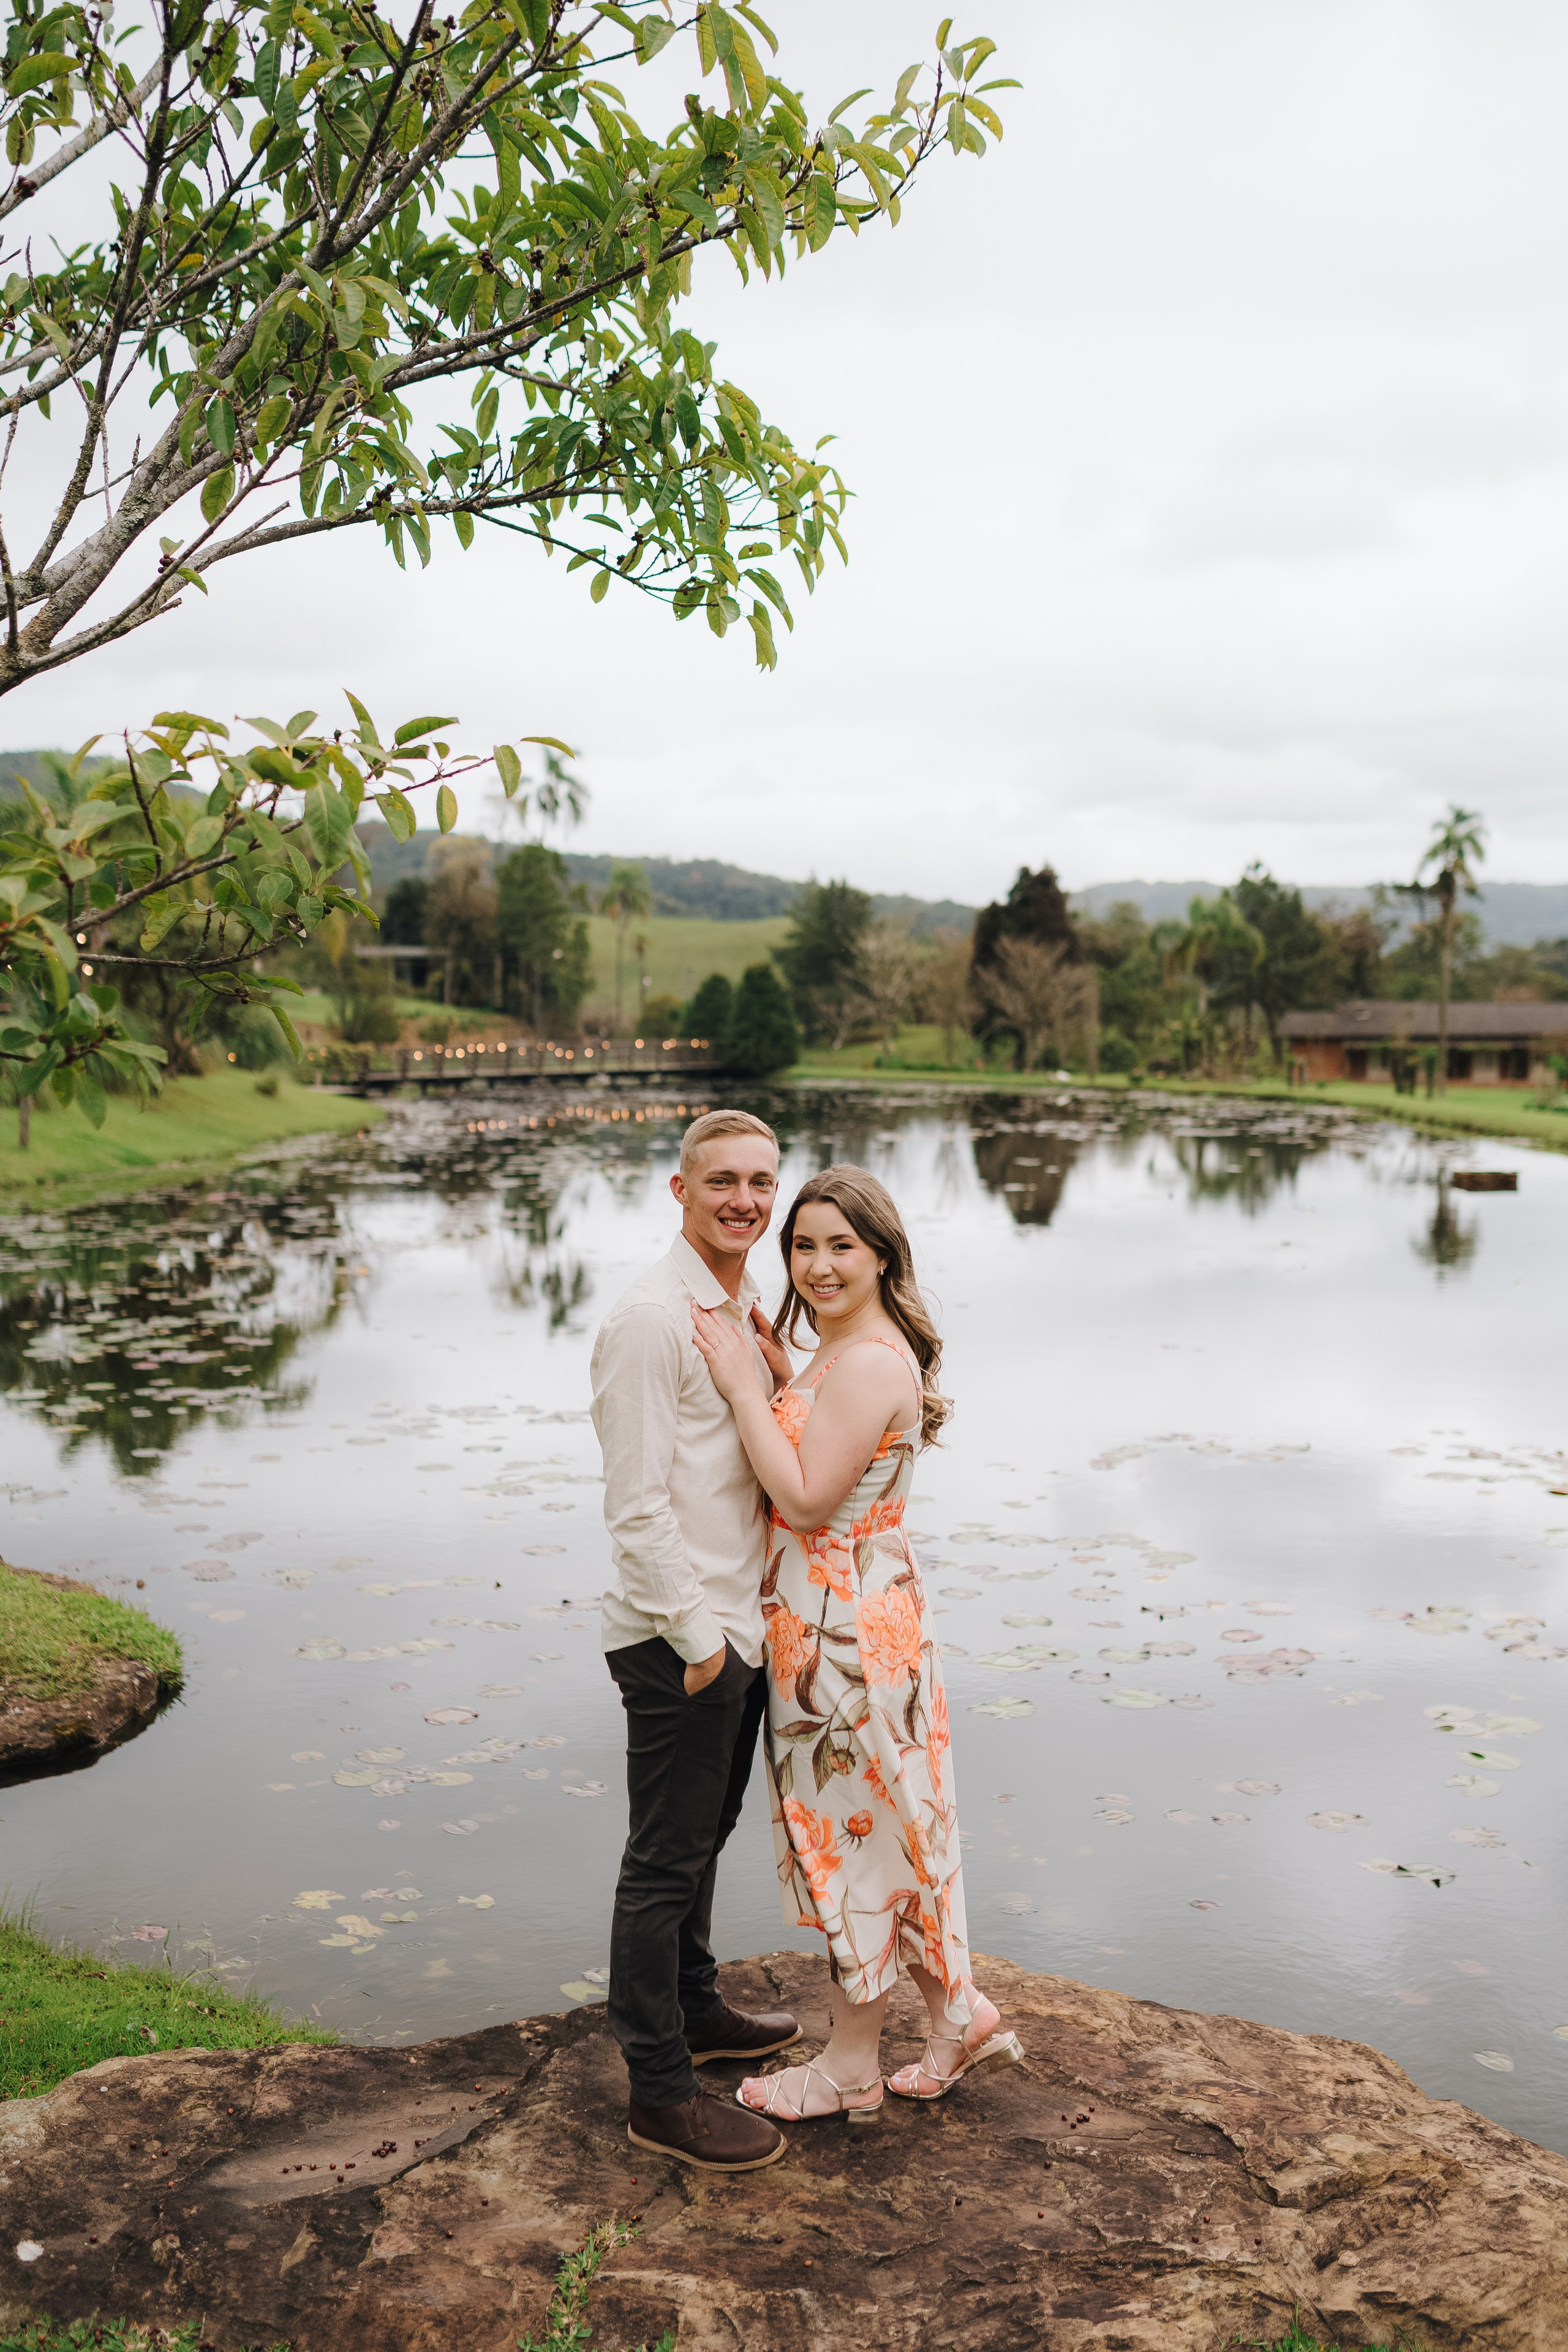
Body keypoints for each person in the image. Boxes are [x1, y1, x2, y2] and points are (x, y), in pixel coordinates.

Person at [689, 1163, 1022, 2122]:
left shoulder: (871, 1359)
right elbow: (827, 1436)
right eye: (803, 1246)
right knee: (894, 1823)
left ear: (883, 1256)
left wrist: (741, 1385)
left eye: (843, 1246)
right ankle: (956, 2014)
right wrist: (782, 1372)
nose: (819, 1265)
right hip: (844, 1619)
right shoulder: (842, 1352)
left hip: (844, 1640)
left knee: (856, 1838)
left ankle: (848, 2065)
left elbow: (802, 1496)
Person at [591, 1107, 804, 2174]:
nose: (746, 1202)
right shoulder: (649, 1320)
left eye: (762, 1183)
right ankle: (660, 2094)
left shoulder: (738, 1304)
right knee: (664, 1859)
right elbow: (635, 1507)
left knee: (701, 1840)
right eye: (723, 1182)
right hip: (683, 1636)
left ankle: (696, 2007)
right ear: (680, 1190)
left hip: (736, 1624)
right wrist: (701, 1643)